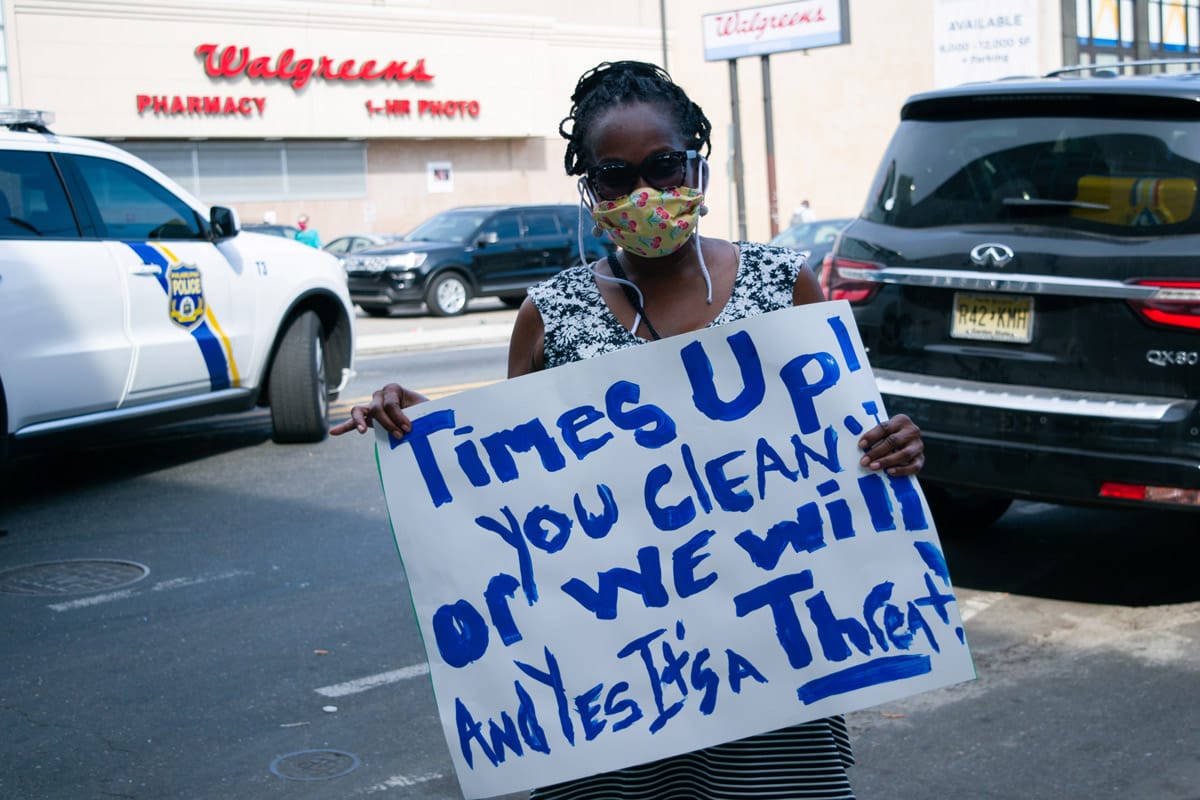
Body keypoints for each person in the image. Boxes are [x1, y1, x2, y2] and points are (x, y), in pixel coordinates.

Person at [332, 59, 924, 800]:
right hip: (616, 698)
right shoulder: (549, 316)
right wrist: (423, 430)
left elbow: (842, 445)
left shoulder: (784, 285)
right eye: (615, 176)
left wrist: (894, 446)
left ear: (697, 165)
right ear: (590, 189)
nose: (644, 193)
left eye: (663, 165)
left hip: (774, 681)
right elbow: (515, 486)